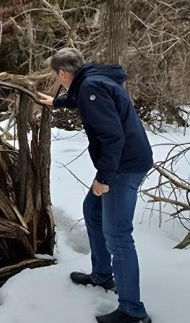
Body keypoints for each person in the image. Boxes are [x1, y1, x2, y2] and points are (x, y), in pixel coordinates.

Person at [37, 48, 153, 323]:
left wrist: (104, 178)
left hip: (123, 166)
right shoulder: (94, 79)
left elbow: (113, 138)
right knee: (92, 210)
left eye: (57, 76)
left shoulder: (90, 87)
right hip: (128, 161)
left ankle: (132, 311)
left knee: (118, 235)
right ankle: (102, 274)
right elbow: (85, 98)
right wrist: (59, 103)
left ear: (63, 73)